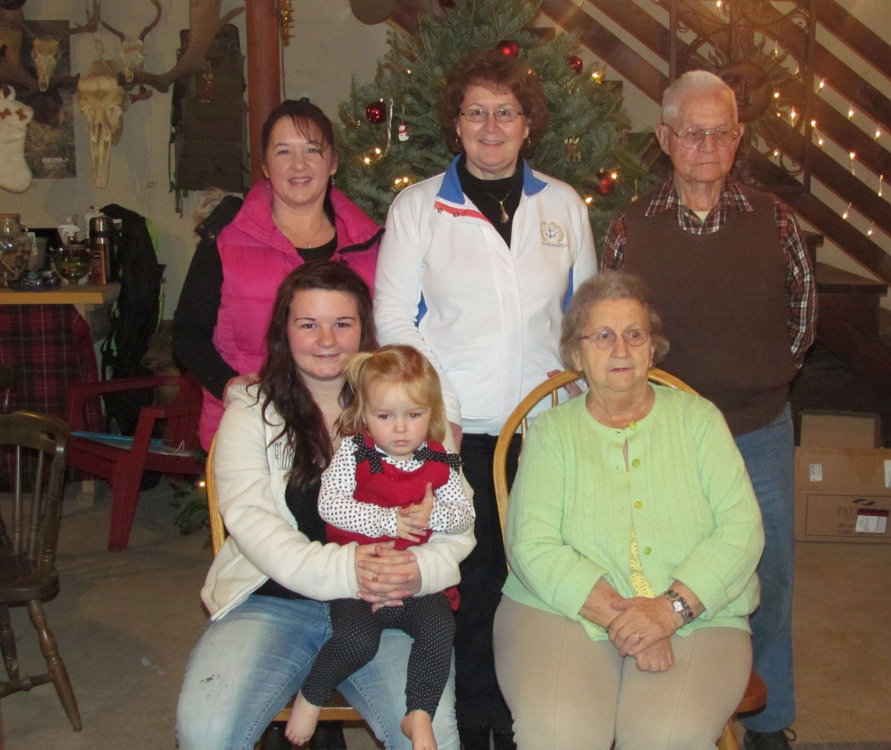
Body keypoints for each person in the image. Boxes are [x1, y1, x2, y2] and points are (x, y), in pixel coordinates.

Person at [374, 49, 597, 749]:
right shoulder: (418, 208)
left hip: (545, 435)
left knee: (535, 584)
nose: (491, 125)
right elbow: (392, 326)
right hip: (455, 439)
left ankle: (532, 722)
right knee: (469, 592)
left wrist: (580, 413)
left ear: (527, 123)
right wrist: (436, 415)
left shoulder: (561, 205)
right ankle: (474, 727)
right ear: (457, 123)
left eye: (506, 112)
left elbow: (583, 320)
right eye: (476, 112)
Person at [600, 70, 817, 750]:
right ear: (665, 138)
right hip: (665, 435)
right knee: (672, 568)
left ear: (738, 137)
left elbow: (802, 321)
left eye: (720, 131)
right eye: (691, 132)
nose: (706, 145)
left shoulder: (775, 221)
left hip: (758, 431)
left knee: (770, 573)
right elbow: (611, 324)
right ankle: (678, 704)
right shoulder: (631, 228)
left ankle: (767, 714)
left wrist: (760, 376)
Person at [175, 262, 473, 750]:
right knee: (207, 731)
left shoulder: (410, 408)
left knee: (432, 735)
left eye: (343, 323)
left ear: (365, 331)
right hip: (274, 600)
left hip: (391, 601)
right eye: (308, 324)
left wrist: (419, 570)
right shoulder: (252, 409)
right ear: (284, 331)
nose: (327, 340)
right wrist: (346, 568)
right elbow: (250, 521)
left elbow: (459, 520)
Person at [494, 272, 764, 749]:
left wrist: (669, 611)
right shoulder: (551, 433)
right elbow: (531, 544)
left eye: (633, 335)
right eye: (602, 336)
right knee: (561, 736)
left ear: (651, 348)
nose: (620, 348)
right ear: (576, 355)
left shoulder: (701, 422)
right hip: (562, 609)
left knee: (665, 737)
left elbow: (741, 530)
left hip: (699, 612)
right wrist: (630, 618)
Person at [286, 345, 476, 749]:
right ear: (364, 414)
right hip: (360, 579)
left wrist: (430, 517)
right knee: (357, 640)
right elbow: (331, 505)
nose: (401, 429)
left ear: (433, 412)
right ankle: (313, 693)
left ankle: (419, 712)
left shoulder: (440, 457)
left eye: (414, 414)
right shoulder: (359, 452)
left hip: (412, 580)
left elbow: (464, 515)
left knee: (441, 627)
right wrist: (391, 520)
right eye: (385, 416)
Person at [173, 98, 382, 451]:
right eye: (283, 152)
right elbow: (187, 333)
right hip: (252, 432)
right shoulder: (225, 240)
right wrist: (227, 385)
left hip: (349, 433)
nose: (298, 165)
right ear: (266, 165)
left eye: (312, 150)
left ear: (333, 163)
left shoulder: (371, 246)